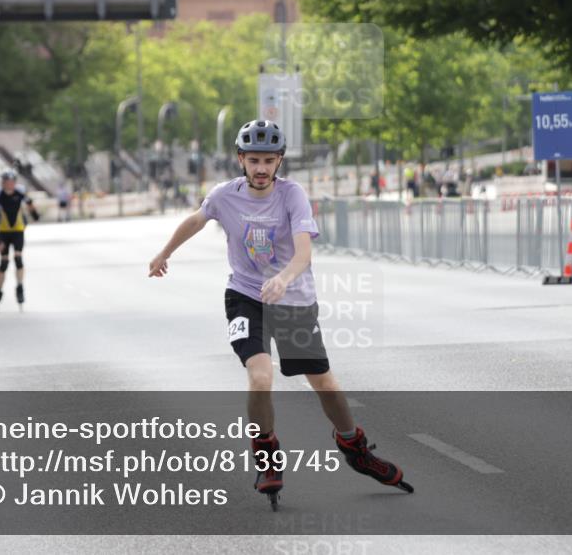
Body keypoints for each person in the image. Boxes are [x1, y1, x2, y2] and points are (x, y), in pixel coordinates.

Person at [148, 120, 412, 504]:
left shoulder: (292, 196)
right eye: (253, 159)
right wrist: (164, 253)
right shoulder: (225, 195)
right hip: (245, 296)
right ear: (240, 159)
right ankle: (267, 456)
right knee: (260, 376)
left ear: (279, 161)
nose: (260, 168)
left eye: (268, 161)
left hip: (293, 299)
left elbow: (304, 250)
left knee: (324, 383)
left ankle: (355, 448)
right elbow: (195, 220)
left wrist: (285, 278)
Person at [0, 171, 39, 313]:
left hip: (18, 230)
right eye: (5, 182)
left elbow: (29, 202)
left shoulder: (20, 191)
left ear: (14, 182)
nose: (8, 185)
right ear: (2, 183)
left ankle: (20, 287)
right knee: (3, 263)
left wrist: (34, 214)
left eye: (11, 182)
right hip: (3, 232)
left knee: (18, 258)